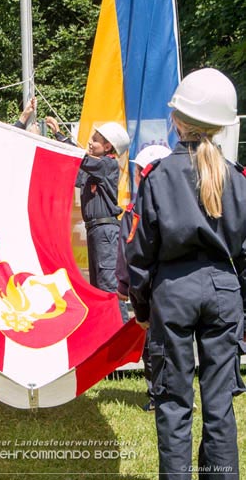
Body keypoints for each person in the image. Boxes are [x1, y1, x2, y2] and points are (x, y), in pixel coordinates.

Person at [125, 68, 246, 479]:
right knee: (219, 405)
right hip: (223, 289)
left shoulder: (158, 178)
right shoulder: (237, 177)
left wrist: (141, 306)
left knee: (174, 402)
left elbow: (141, 252)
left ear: (177, 120)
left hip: (173, 291)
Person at [47, 117, 130, 322]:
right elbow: (75, 173)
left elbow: (81, 159)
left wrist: (60, 135)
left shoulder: (108, 165)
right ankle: (107, 334)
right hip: (95, 232)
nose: (90, 142)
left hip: (106, 232)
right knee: (98, 287)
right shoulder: (94, 172)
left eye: (95, 139)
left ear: (108, 146)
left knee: (108, 287)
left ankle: (123, 338)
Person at [115, 144, 171, 409]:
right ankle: (171, 394)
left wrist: (124, 286)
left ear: (142, 173)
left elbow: (129, 251)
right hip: (179, 285)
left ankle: (158, 395)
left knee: (155, 343)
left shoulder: (135, 210)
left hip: (151, 286)